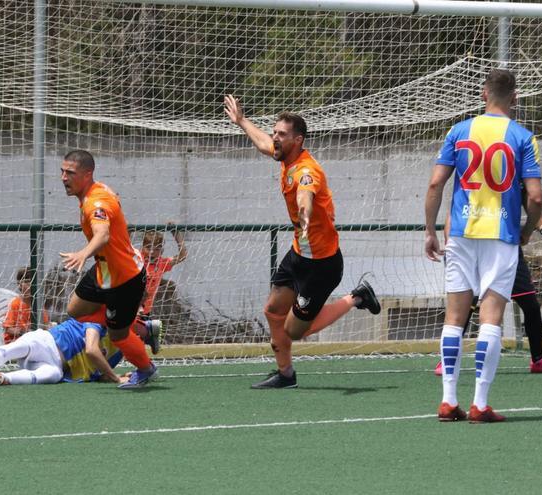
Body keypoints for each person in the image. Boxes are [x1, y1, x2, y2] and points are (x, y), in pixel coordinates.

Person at [224, 95, 381, 389]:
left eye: (281, 134)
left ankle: (357, 297)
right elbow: (262, 144)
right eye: (275, 132)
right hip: (298, 254)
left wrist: (305, 213)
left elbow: (305, 195)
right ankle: (285, 375)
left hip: (321, 266)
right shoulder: (285, 157)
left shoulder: (307, 171)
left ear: (297, 140)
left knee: (295, 331)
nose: (275, 138)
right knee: (272, 311)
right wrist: (242, 121)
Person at [425, 68, 542, 423]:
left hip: (460, 234)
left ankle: (448, 401)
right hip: (500, 237)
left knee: (454, 318)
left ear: (483, 94)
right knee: (491, 318)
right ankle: (480, 403)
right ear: (516, 97)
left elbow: (435, 185)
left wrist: (430, 230)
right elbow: (535, 195)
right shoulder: (523, 136)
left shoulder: (459, 130)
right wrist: (527, 230)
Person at [58, 149, 157, 389]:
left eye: (70, 173)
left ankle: (146, 369)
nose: (63, 177)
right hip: (104, 270)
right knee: (75, 309)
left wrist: (83, 253)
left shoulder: (96, 203)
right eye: (62, 171)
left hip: (125, 279)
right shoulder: (96, 190)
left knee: (118, 336)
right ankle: (139, 324)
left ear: (87, 174)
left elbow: (102, 235)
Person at [434, 215, 542, 376]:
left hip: (505, 248)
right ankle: (448, 361)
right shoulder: (472, 192)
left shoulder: (512, 190)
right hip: (479, 247)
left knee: (530, 304)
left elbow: (533, 202)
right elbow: (453, 214)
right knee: (468, 306)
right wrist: (451, 245)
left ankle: (538, 360)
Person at [0, 306, 160, 385]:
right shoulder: (102, 318)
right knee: (20, 346)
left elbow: (97, 374)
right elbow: (91, 349)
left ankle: (3, 378)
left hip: (56, 365)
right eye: (141, 324)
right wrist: (116, 378)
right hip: (48, 342)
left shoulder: (121, 350)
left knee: (52, 375)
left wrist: (113, 377)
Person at [139, 222, 187, 317]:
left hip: (146, 311)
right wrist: (128, 231)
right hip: (130, 307)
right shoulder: (137, 258)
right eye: (148, 247)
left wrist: (175, 233)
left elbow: (182, 256)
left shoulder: (161, 263)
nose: (152, 252)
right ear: (142, 248)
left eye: (157, 248)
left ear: (162, 250)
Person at [3, 266, 49, 344]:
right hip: (15, 342)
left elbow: (45, 325)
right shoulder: (15, 303)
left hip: (34, 341)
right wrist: (23, 332)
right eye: (27, 282)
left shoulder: (38, 304)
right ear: (20, 284)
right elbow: (8, 328)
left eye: (33, 283)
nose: (30, 286)